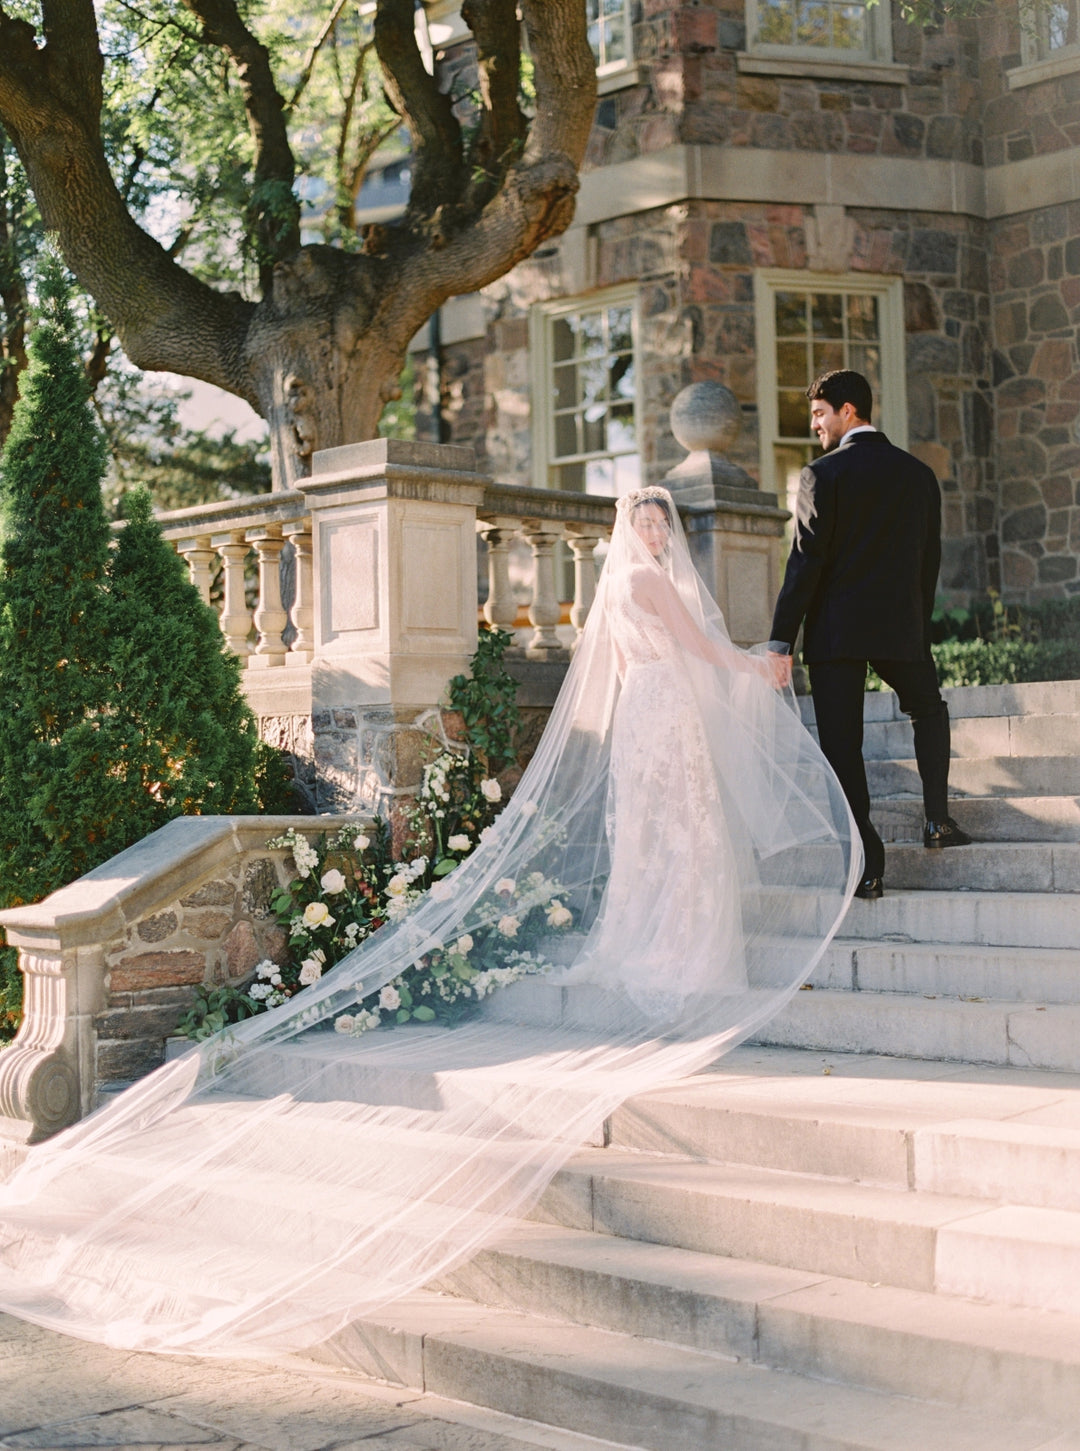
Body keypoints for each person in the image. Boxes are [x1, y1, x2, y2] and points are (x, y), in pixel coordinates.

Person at [0, 487, 857, 1358]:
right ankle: (679, 944)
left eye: (660, 518)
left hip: (647, 715)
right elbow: (697, 647)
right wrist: (752, 665)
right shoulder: (650, 586)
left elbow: (636, 669)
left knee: (661, 836)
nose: (654, 529)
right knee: (676, 835)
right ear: (631, 528)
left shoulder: (615, 587)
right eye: (646, 517)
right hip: (664, 712)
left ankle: (664, 931)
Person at [768, 369, 970, 901]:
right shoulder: (918, 474)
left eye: (819, 414)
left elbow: (805, 564)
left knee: (842, 745)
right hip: (900, 627)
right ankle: (937, 820)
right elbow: (929, 562)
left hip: (836, 633)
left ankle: (868, 862)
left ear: (848, 411)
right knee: (929, 709)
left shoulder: (821, 475)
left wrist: (780, 641)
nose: (814, 425)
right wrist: (916, 626)